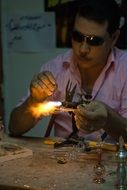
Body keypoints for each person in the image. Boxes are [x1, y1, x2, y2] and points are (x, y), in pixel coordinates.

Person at [9, 0, 127, 143]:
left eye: (94, 41)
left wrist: (108, 119)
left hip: (110, 164)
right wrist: (33, 101)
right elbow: (14, 128)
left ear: (114, 38)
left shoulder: (124, 70)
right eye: (77, 37)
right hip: (63, 161)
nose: (83, 49)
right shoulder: (55, 69)